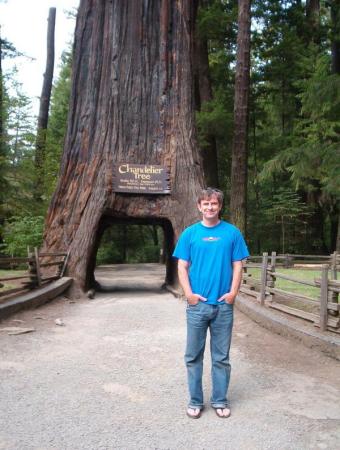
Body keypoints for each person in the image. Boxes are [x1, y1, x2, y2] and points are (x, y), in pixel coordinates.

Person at [173, 187, 249, 419]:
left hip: (223, 306)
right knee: (193, 356)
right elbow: (182, 266)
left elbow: (238, 264)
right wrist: (189, 294)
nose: (209, 207)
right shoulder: (190, 234)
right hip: (198, 306)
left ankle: (219, 400)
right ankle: (195, 401)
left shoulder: (232, 233)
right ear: (199, 206)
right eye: (205, 204)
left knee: (221, 357)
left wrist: (233, 292)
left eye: (213, 204)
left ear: (220, 206)